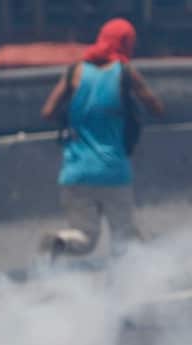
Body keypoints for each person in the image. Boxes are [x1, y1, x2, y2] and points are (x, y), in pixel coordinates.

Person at [39, 18, 165, 260]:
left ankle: (60, 241)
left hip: (75, 171)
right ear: (126, 43)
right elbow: (155, 107)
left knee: (84, 237)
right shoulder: (125, 73)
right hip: (113, 170)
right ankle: (122, 289)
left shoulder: (75, 71)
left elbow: (47, 112)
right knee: (124, 238)